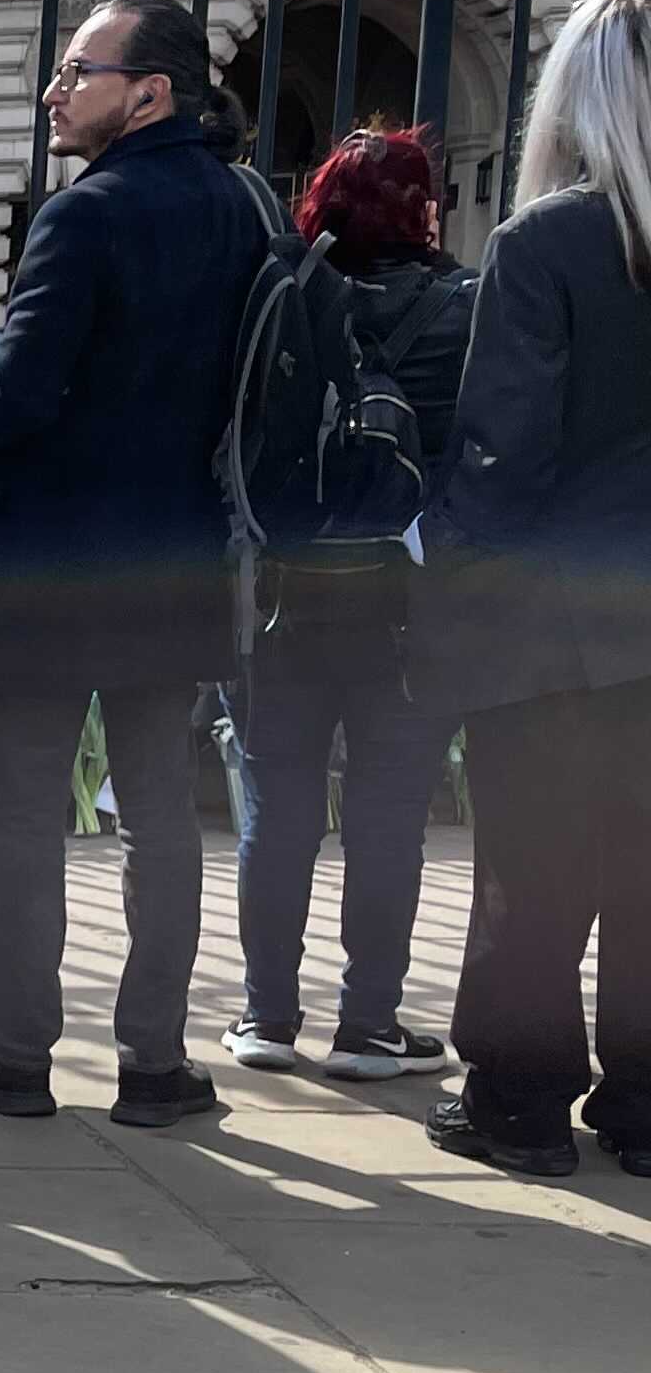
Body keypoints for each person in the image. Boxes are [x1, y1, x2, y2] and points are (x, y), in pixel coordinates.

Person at [0, 0, 270, 1128]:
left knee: (26, 816)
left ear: (151, 92)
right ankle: (155, 1063)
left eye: (79, 70)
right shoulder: (242, 207)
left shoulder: (83, 217)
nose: (54, 89)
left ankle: (18, 1054)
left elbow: (17, 400)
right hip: (174, 552)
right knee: (162, 818)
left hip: (53, 562)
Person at [416, 0, 651, 1179]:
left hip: (558, 623)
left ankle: (517, 1103)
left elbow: (506, 453)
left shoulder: (551, 240)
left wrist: (445, 566)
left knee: (535, 878)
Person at [224, 126, 473, 1086]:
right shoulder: (466, 303)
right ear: (423, 209)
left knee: (275, 813)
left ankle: (265, 1016)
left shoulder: (284, 288)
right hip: (405, 599)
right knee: (388, 819)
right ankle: (368, 1023)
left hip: (283, 589)